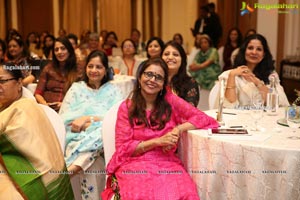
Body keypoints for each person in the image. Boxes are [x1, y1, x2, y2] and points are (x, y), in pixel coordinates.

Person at [102, 57, 218, 200]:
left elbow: (203, 118)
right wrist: (157, 141)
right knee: (141, 195)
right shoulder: (127, 107)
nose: (152, 80)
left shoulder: (170, 100)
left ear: (163, 84)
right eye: (148, 74)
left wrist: (178, 129)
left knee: (186, 193)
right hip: (134, 164)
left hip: (166, 162)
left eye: (158, 77)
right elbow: (123, 148)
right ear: (140, 77)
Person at [0, 65, 74, 199]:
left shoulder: (26, 107)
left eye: (2, 81)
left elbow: (31, 152)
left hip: (22, 175)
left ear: (18, 83)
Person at [59, 50, 123, 199]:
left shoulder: (113, 90)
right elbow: (65, 118)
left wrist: (89, 120)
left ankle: (76, 166)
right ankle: (81, 162)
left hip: (104, 141)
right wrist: (89, 124)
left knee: (102, 131)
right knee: (94, 157)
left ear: (106, 70)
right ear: (86, 68)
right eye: (91, 66)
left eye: (99, 67)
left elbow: (119, 118)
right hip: (77, 137)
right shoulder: (76, 88)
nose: (94, 70)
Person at [219, 34, 289, 108]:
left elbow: (280, 103)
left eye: (259, 49)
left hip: (263, 117)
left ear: (264, 54)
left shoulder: (271, 75)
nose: (254, 52)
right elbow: (229, 106)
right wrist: (232, 75)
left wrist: (257, 83)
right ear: (244, 51)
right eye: (250, 48)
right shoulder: (230, 74)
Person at [34, 37, 79, 111]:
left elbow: (82, 96)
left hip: (69, 108)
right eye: (56, 50)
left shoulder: (78, 69)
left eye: (63, 48)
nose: (59, 52)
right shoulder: (48, 68)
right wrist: (45, 104)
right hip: (47, 108)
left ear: (69, 50)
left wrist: (64, 105)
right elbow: (38, 93)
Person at [162, 40, 199, 107]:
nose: (170, 57)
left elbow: (190, 109)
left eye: (175, 55)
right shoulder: (155, 80)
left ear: (182, 60)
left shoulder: (190, 83)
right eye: (166, 54)